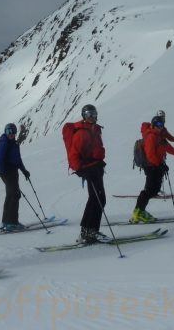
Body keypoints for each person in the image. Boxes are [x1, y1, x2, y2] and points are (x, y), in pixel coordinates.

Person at [131, 116, 174, 223]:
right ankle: (138, 212)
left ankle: (138, 211)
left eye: (162, 125)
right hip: (151, 166)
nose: (160, 127)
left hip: (156, 166)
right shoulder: (151, 137)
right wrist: (160, 165)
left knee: (153, 189)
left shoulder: (159, 136)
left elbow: (169, 148)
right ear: (153, 125)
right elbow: (150, 155)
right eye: (158, 125)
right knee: (150, 190)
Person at [67, 104, 107, 243]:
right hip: (89, 170)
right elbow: (73, 154)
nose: (92, 117)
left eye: (93, 113)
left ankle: (90, 231)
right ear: (84, 116)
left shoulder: (94, 130)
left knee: (98, 199)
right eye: (89, 114)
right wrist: (80, 170)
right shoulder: (81, 132)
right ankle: (87, 232)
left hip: (96, 168)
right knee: (96, 199)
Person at [0, 123, 31, 231]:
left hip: (12, 172)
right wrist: (3, 172)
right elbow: (0, 159)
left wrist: (24, 171)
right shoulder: (5, 142)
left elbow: (18, 159)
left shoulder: (14, 143)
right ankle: (12, 223)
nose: (10, 134)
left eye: (12, 131)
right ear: (5, 132)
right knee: (15, 195)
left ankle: (5, 221)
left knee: (10, 195)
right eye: (8, 131)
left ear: (15, 132)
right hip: (8, 173)